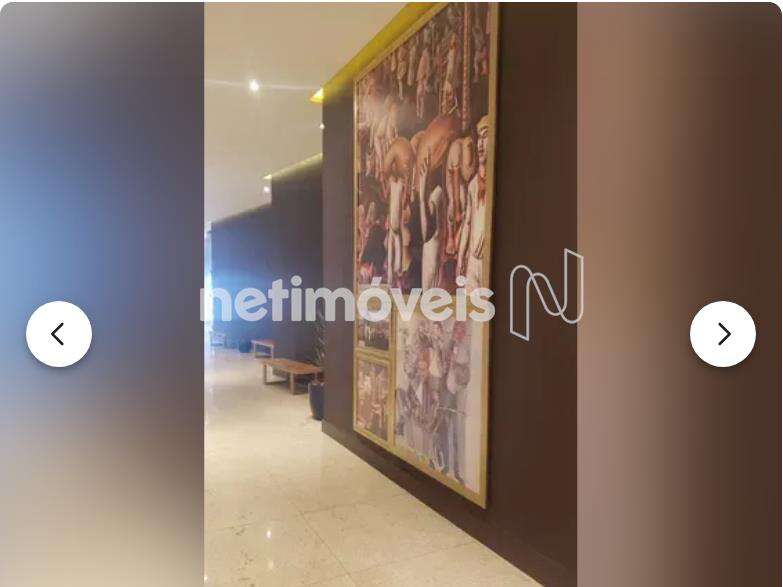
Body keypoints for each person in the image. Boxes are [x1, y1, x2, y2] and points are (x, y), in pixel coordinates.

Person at [458, 115, 489, 291]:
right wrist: (460, 258)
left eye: (485, 136)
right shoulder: (472, 185)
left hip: (487, 262)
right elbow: (467, 223)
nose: (480, 145)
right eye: (479, 138)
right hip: (472, 263)